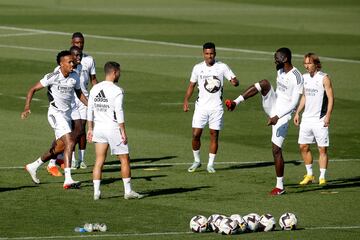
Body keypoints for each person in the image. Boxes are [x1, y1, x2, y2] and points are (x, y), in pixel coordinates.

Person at [225, 47, 303, 195]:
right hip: (273, 104)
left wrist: (277, 117)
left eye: (277, 57)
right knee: (264, 83)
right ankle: (235, 102)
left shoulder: (297, 77)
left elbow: (294, 103)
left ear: (285, 59)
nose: (275, 60)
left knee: (276, 150)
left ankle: (280, 187)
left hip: (282, 115)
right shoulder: (279, 70)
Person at [22, 50, 88, 189]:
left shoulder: (74, 76)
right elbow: (32, 89)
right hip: (55, 114)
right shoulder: (53, 76)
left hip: (67, 114)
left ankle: (34, 166)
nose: (73, 63)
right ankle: (68, 179)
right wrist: (27, 107)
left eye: (73, 61)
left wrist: (91, 107)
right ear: (61, 64)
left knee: (60, 147)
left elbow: (79, 94)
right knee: (70, 141)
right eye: (69, 61)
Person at [87, 61, 143, 200]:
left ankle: (96, 192)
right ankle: (128, 191)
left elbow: (89, 110)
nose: (120, 74)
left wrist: (90, 129)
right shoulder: (117, 90)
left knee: (99, 160)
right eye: (119, 72)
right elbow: (119, 111)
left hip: (98, 128)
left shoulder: (95, 88)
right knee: (124, 159)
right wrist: (123, 131)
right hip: (112, 128)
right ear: (113, 73)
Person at [183, 42, 239, 173]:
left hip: (216, 108)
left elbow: (234, 80)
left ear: (215, 54)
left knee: (214, 135)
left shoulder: (222, 67)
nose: (209, 56)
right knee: (196, 134)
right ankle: (197, 161)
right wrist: (186, 100)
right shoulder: (197, 68)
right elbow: (191, 85)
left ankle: (210, 164)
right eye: (207, 54)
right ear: (203, 54)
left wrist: (235, 82)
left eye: (212, 54)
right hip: (201, 107)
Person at [293, 53, 334, 186]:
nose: (306, 66)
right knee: (303, 147)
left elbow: (331, 98)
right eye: (305, 63)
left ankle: (322, 177)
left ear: (316, 64)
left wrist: (328, 115)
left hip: (320, 119)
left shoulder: (324, 78)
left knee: (322, 149)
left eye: (309, 63)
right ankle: (310, 174)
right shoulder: (304, 78)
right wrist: (298, 112)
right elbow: (304, 96)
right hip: (306, 119)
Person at [46, 46, 83, 177]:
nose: (77, 59)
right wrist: (53, 102)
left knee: (78, 131)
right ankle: (52, 163)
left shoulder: (80, 67)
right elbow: (51, 87)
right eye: (74, 57)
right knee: (65, 138)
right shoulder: (59, 71)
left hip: (73, 105)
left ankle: (61, 157)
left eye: (79, 56)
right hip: (62, 108)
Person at [70, 32, 98, 169]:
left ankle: (81, 159)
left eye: (81, 42)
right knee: (75, 128)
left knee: (82, 129)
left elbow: (93, 79)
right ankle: (72, 158)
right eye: (76, 43)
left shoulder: (89, 60)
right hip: (71, 99)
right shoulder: (67, 59)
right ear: (72, 43)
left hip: (85, 98)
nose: (79, 45)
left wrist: (99, 93)